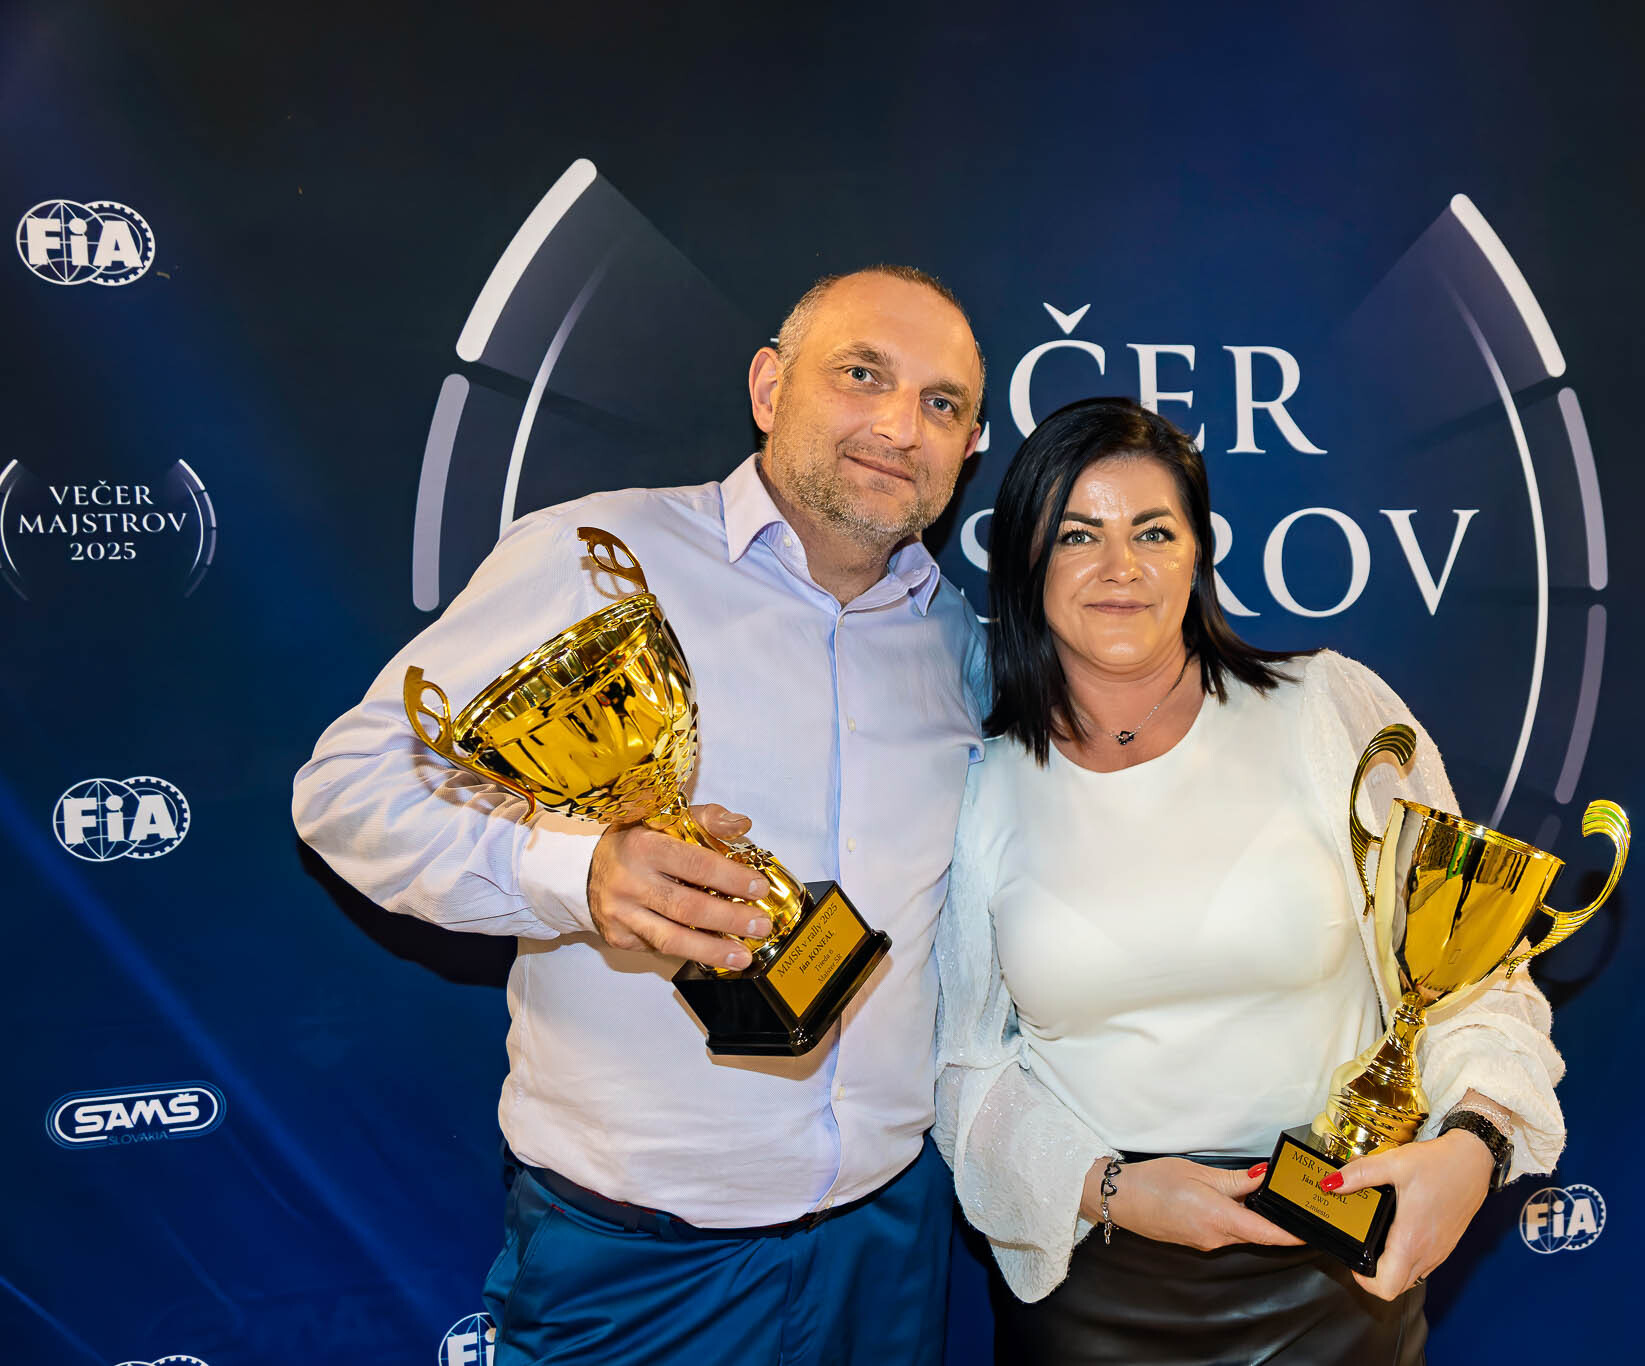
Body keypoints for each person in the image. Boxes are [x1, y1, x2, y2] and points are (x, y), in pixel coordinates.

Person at [293, 266, 988, 1366]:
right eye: (862, 375)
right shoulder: (595, 556)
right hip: (639, 1270)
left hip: (890, 1243)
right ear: (769, 387)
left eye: (941, 403)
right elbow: (348, 789)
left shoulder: (955, 639)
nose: (901, 425)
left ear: (968, 447)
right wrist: (580, 874)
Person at [934, 397, 1567, 1364]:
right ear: (1026, 560)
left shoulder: (1327, 710)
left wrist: (1475, 1144)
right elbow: (968, 1069)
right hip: (1097, 1281)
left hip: (1339, 1267)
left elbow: (1476, 975)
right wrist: (1113, 1190)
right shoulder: (983, 784)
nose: (1121, 566)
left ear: (1198, 554)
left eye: (1154, 531)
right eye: (1078, 534)